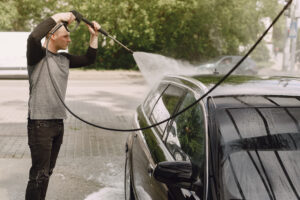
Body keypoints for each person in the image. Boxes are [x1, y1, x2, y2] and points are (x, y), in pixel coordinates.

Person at [25, 12, 101, 200]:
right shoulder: (37, 57)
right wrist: (58, 16)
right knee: (38, 175)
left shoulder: (64, 59)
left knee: (46, 173)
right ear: (52, 36)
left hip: (58, 123)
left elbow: (89, 59)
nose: (69, 39)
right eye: (66, 36)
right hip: (40, 123)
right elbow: (34, 37)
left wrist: (94, 36)